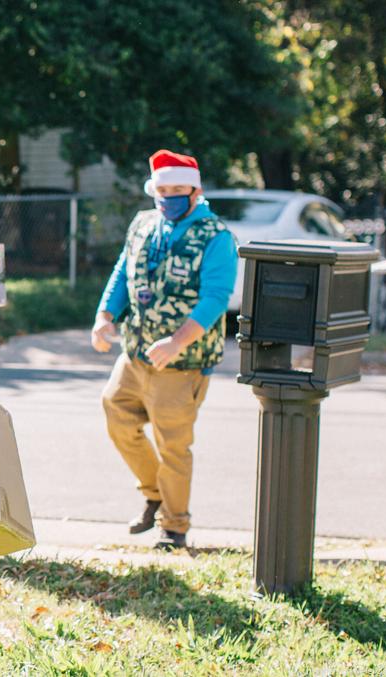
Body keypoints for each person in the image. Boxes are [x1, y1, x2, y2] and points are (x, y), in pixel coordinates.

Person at [91, 150, 237, 551]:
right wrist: (105, 315)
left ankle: (174, 526)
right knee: (116, 413)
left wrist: (177, 342)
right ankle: (154, 493)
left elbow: (215, 298)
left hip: (181, 362)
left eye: (177, 190)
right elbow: (123, 271)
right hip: (135, 352)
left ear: (196, 190)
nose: (168, 196)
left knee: (174, 443)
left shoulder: (216, 236)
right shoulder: (143, 224)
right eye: (162, 190)